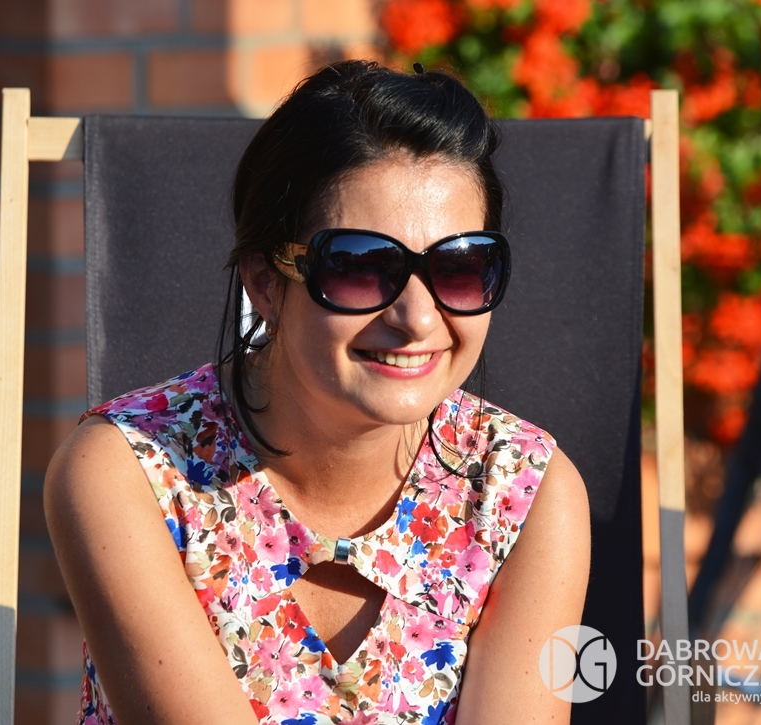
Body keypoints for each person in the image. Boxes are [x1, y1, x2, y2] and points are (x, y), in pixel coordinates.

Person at [45, 59, 590, 725]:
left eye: (460, 266)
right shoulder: (129, 470)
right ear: (266, 282)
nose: (418, 319)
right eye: (360, 266)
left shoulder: (523, 491)